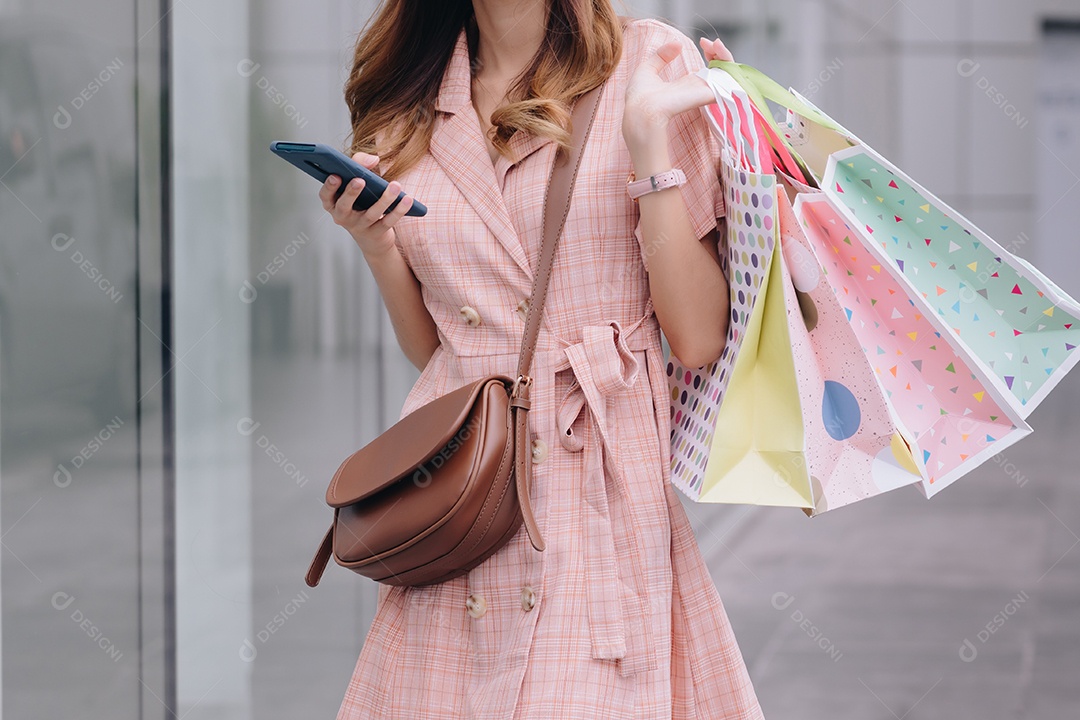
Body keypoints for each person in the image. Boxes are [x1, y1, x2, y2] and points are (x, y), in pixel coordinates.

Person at [318, 1, 764, 717]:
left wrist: (649, 147)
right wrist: (377, 244)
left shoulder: (648, 65)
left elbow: (697, 337)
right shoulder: (418, 99)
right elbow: (439, 349)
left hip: (596, 500)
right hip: (468, 500)